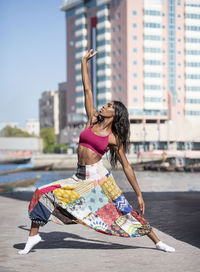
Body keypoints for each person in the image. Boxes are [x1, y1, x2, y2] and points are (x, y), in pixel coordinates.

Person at [18, 49, 175, 255]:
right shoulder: (92, 118)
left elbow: (126, 166)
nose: (104, 106)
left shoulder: (113, 139)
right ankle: (34, 236)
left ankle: (157, 241)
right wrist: (84, 62)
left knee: (125, 210)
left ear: (114, 114)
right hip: (79, 177)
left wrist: (139, 193)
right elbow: (87, 90)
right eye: (106, 103)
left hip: (99, 178)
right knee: (43, 193)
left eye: (109, 106)